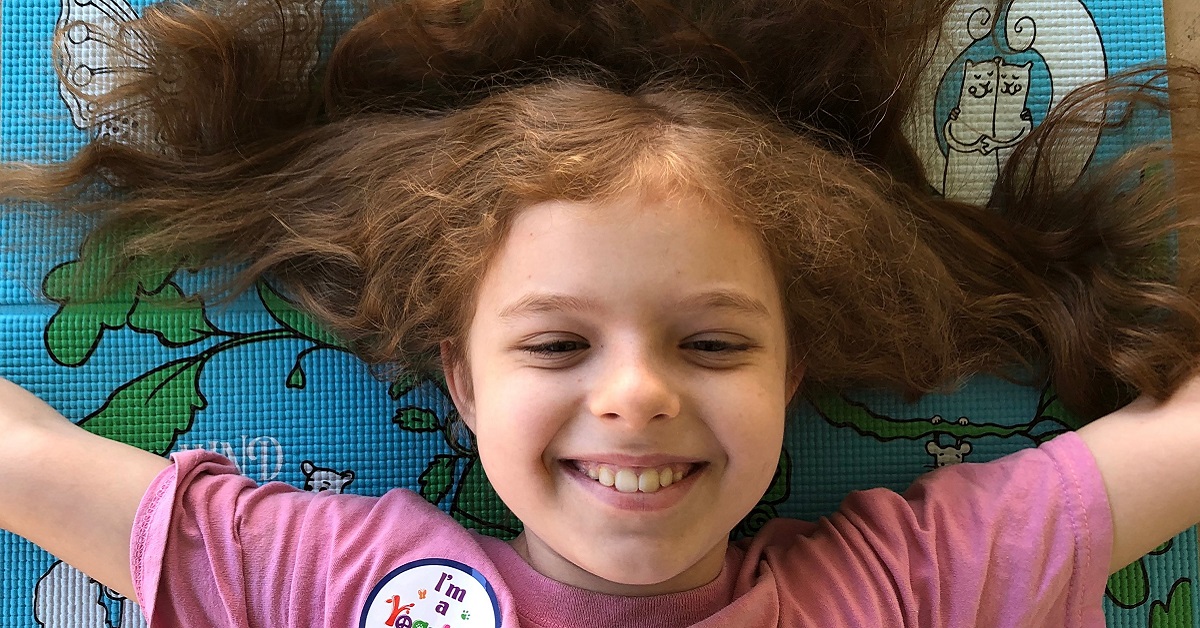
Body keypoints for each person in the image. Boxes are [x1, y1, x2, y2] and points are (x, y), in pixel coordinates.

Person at [2, 0, 1200, 625]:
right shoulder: (347, 581)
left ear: (790, 375)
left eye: (714, 342)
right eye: (560, 343)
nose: (637, 391)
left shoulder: (900, 585)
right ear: (464, 383)